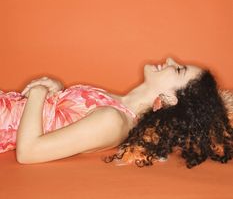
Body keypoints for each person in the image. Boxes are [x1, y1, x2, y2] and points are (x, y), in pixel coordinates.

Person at [0, 57, 232, 168]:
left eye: (179, 69)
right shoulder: (115, 102)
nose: (171, 60)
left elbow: (29, 152)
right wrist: (55, 87)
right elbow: (58, 116)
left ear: (171, 99)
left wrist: (39, 92)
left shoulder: (113, 121)